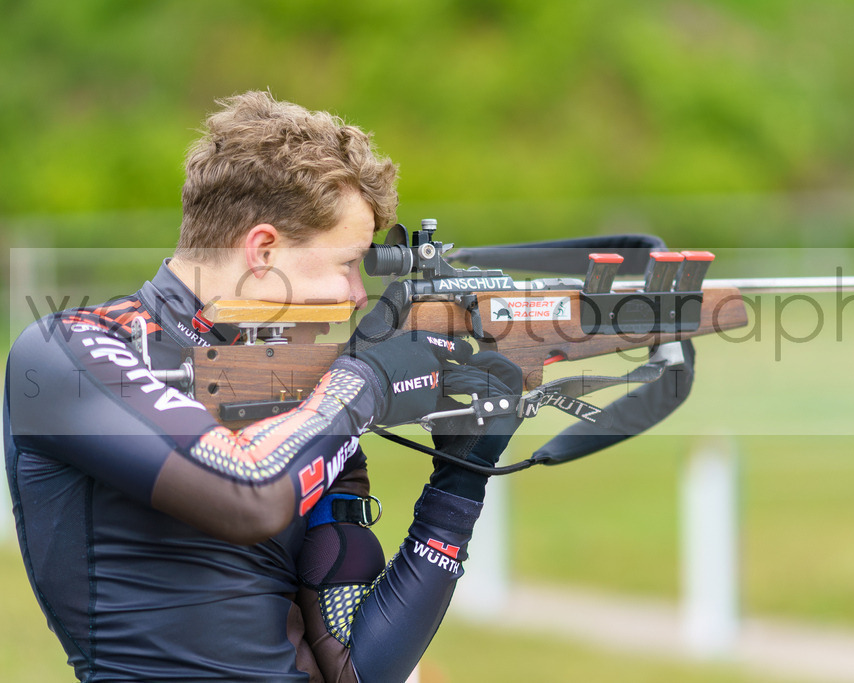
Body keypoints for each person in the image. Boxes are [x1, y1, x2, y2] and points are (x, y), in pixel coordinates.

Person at [4, 90, 521, 682]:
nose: (358, 294)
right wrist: (367, 380)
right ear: (263, 250)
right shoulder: (67, 350)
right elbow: (247, 492)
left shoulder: (308, 393)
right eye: (347, 262)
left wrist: (456, 491)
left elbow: (355, 669)